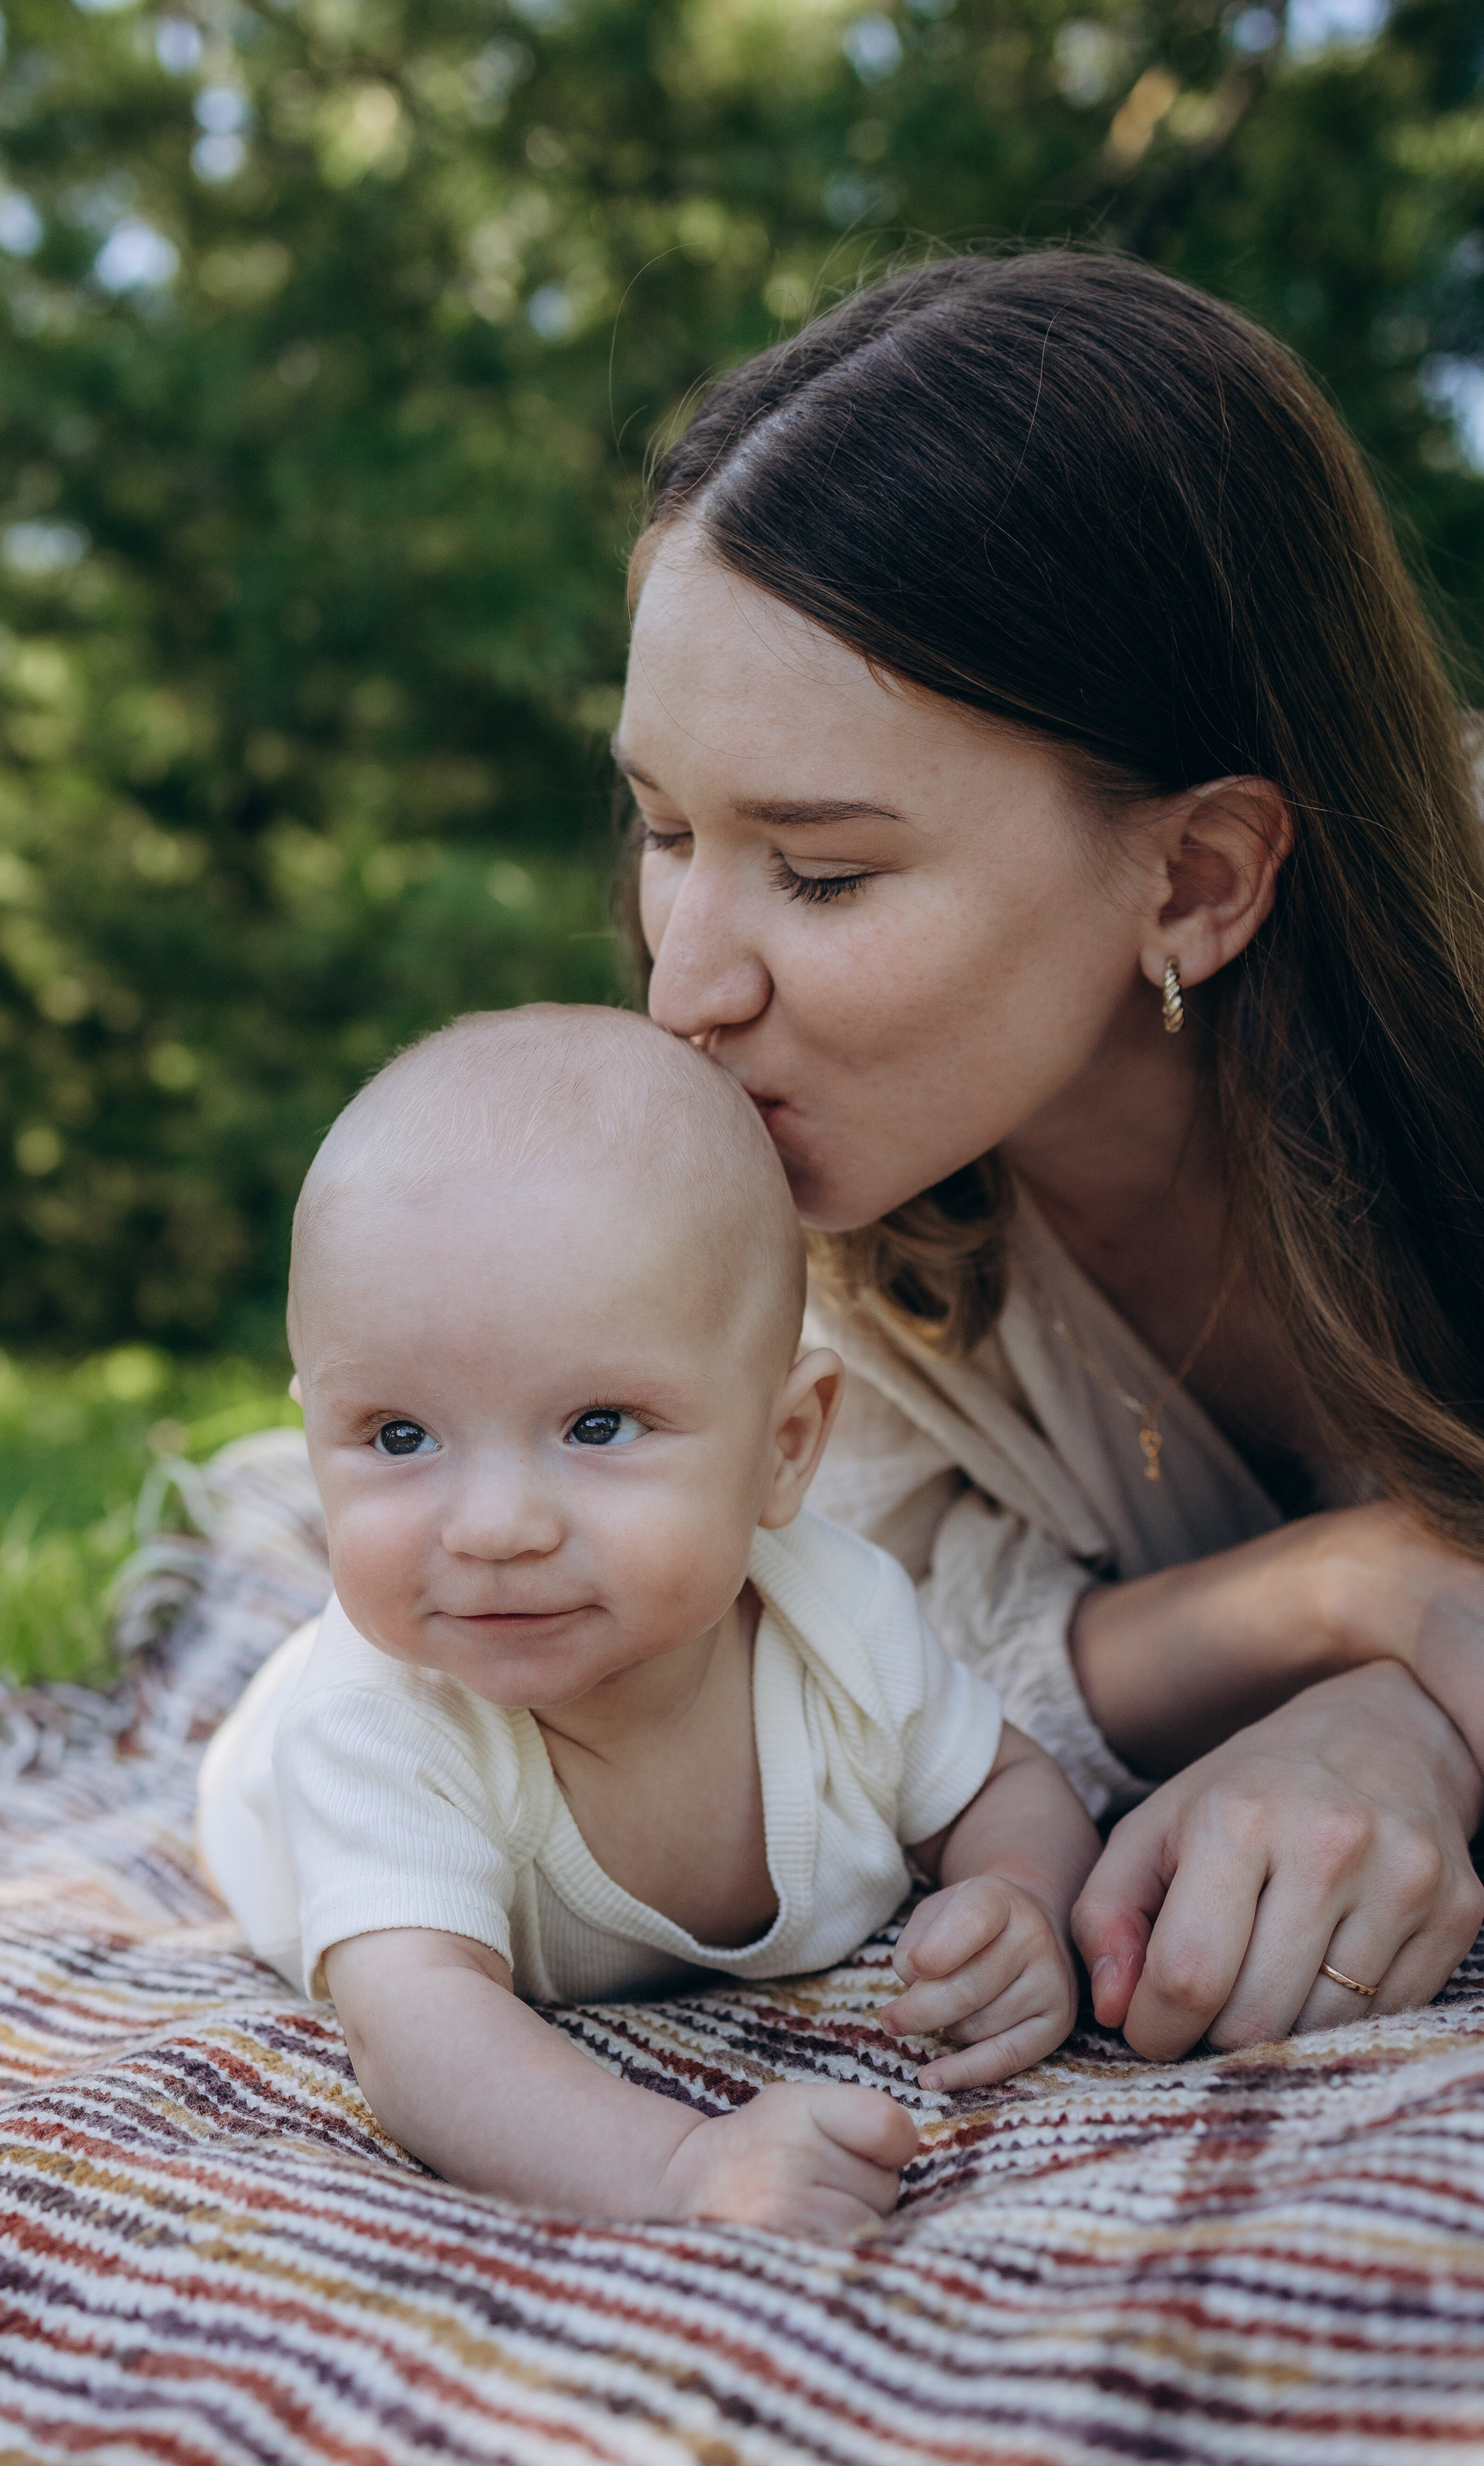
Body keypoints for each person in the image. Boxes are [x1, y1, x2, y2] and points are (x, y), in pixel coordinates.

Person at [613, 247, 1484, 2064]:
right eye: (660, 827)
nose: (682, 983)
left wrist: (1393, 1724)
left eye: (823, 872)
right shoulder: (808, 1190)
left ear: (1194, 879)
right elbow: (828, 1686)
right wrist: (1356, 1592)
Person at [198, 1004, 1101, 2239]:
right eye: (399, 1437)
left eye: (599, 1425)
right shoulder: (379, 1724)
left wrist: (1022, 1899)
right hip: (265, 1792)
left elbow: (1004, 1781)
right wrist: (681, 2167)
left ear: (786, 1448)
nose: (494, 1526)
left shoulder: (835, 1622)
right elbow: (421, 2040)